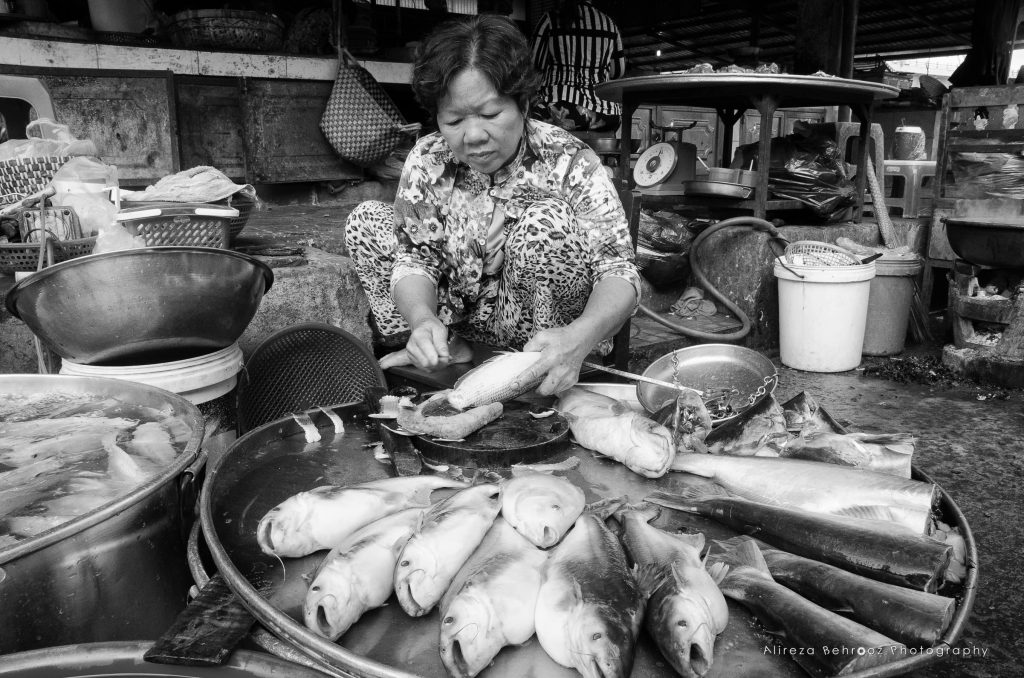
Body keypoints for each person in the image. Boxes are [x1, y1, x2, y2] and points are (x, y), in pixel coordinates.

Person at [344, 14, 640, 397]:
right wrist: (422, 319)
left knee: (545, 223)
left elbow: (619, 271)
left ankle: (541, 365)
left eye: (490, 114)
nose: (473, 136)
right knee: (367, 221)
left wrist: (579, 337)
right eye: (453, 120)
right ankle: (442, 345)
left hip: (541, 329)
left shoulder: (568, 158)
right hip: (462, 315)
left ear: (523, 102)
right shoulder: (429, 158)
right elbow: (416, 257)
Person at [529, 0, 626, 132]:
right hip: (606, 114)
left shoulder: (550, 19)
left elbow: (534, 64)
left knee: (528, 111)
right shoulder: (609, 23)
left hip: (562, 110)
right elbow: (618, 71)